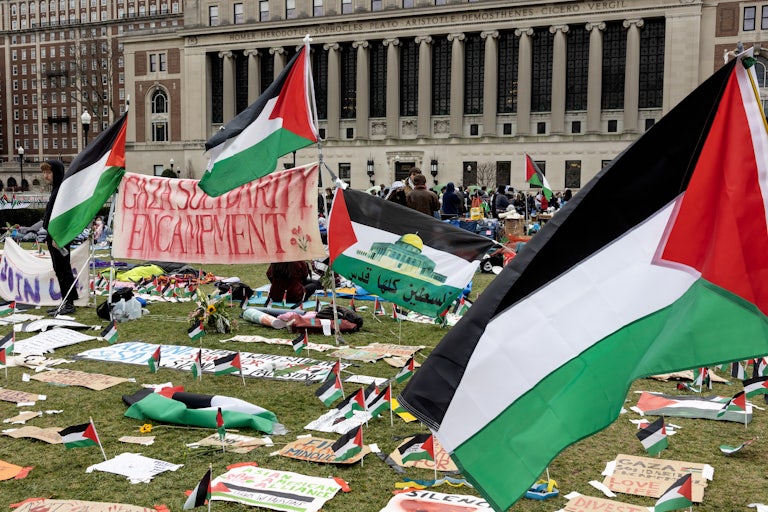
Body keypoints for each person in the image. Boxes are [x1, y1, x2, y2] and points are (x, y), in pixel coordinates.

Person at [42, 160, 78, 316]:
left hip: (59, 237)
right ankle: (66, 301)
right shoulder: (57, 190)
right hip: (54, 236)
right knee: (60, 269)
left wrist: (58, 237)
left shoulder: (60, 191)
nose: (45, 176)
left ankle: (69, 304)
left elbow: (63, 217)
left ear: (56, 173)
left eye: (48, 172)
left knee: (63, 270)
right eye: (44, 173)